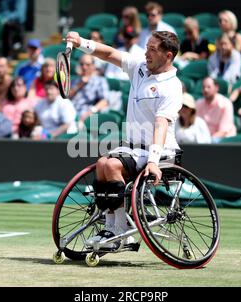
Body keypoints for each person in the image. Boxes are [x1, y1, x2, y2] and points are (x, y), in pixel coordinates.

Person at [65, 30, 183, 249]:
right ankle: (111, 229)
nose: (147, 53)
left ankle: (119, 232)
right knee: (102, 163)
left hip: (161, 151)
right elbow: (109, 54)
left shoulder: (172, 87)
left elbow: (161, 124)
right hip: (133, 149)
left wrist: (153, 162)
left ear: (168, 56)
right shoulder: (139, 67)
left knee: (110, 165)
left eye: (153, 49)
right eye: (147, 47)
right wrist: (81, 43)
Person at [69, 54, 109, 125]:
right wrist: (80, 85)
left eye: (87, 65)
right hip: (69, 113)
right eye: (81, 64)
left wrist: (90, 112)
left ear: (93, 66)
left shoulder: (100, 81)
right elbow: (67, 97)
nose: (84, 67)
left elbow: (105, 101)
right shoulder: (75, 80)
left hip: (84, 114)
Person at [196, 77, 237, 142]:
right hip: (205, 139)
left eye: (208, 87)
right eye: (203, 87)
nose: (205, 90)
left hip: (224, 139)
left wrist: (208, 141)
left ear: (216, 88)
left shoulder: (225, 104)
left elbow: (223, 131)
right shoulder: (198, 103)